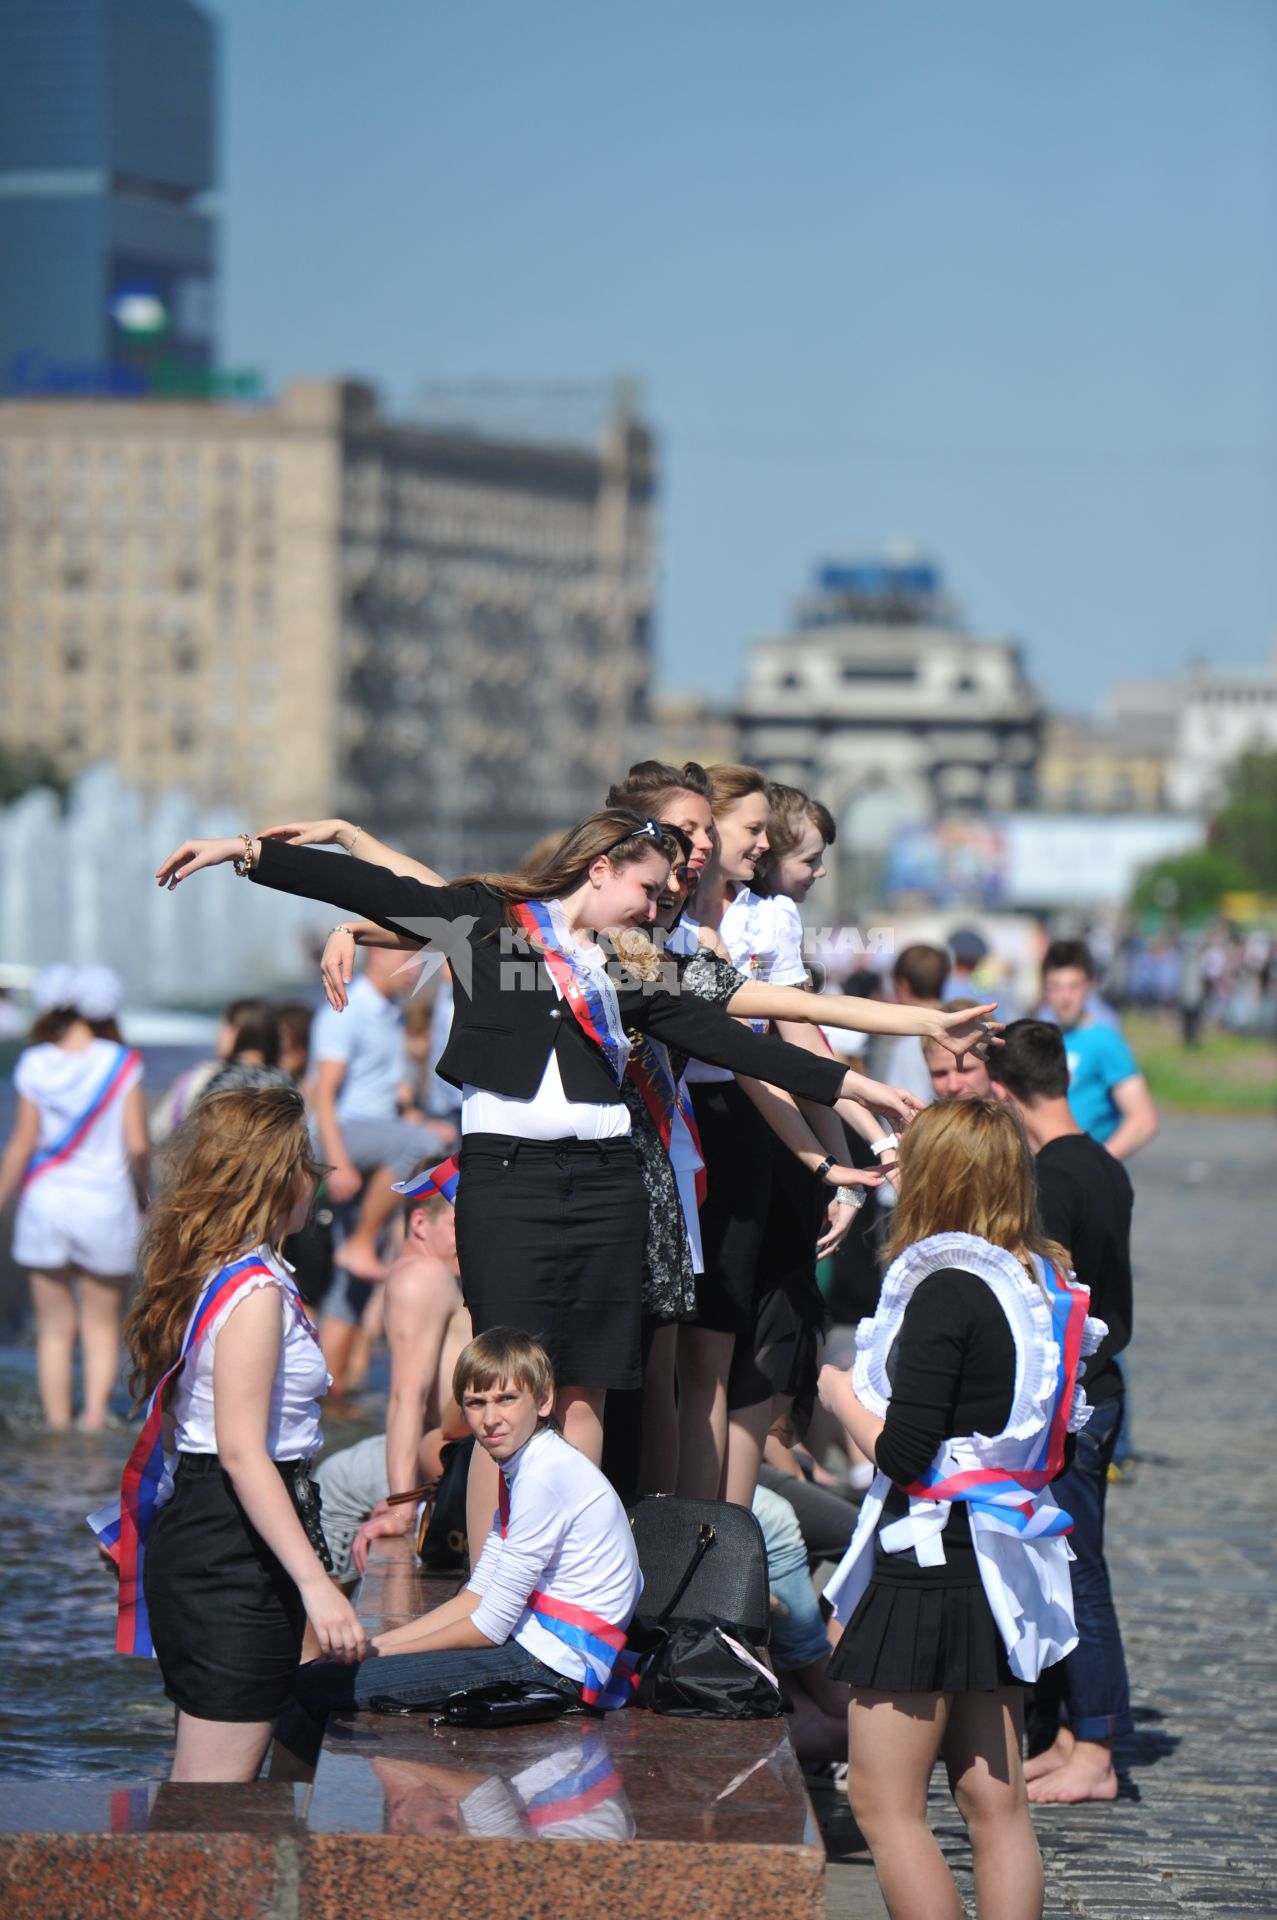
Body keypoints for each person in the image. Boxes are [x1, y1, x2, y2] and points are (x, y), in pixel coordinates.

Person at [155, 811, 907, 1480]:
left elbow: (731, 1040)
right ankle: (495, 1589)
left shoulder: (627, 963)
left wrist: (852, 1087)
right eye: (645, 890)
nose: (654, 907)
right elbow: (378, 893)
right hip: (507, 1181)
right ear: (600, 869)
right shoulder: (490, 928)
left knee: (586, 1388)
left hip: (609, 1182)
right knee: (507, 1389)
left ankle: (573, 1585)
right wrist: (246, 851)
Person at [816, 1099, 1105, 1920]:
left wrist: (836, 1394)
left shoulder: (947, 1286)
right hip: (998, 1560)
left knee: (883, 1803)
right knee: (995, 1805)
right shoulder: (1031, 1275)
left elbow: (905, 1456)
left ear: (940, 1176)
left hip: (930, 1565)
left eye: (908, 1158)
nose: (893, 1169)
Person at [90, 1086, 367, 1782]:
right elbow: (243, 1453)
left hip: (226, 1534)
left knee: (219, 1794)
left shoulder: (228, 1272)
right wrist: (318, 1586)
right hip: (230, 1547)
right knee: (209, 1804)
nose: (318, 1174)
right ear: (276, 1176)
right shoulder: (253, 1293)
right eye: (305, 1159)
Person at [271, 1328, 643, 1778]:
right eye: (476, 1402)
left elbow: (487, 1627)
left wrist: (381, 1655)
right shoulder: (526, 1467)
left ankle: (284, 1834)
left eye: (506, 1399)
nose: (490, 1418)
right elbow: (475, 1595)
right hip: (538, 1649)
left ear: (544, 1401)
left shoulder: (544, 1477)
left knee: (309, 1685)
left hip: (553, 1667)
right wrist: (377, 1645)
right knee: (327, 1673)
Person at [991, 1020, 1134, 1804]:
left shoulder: (1050, 1178)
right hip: (1106, 1386)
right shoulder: (1103, 1163)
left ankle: (1097, 1750)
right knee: (1075, 1566)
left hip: (1075, 1401)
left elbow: (1051, 1305)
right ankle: (1078, 1735)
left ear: (1006, 1094)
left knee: (1079, 1574)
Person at [0, 964, 147, 1430]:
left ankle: (58, 1424)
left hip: (45, 1202)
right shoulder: (121, 1061)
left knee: (53, 1329)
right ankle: (94, 1420)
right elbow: (138, 1144)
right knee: (101, 1326)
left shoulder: (36, 1061)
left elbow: (23, 1142)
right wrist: (145, 1196)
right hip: (105, 1204)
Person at [1038, 939, 1158, 1160]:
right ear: (1045, 989)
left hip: (1081, 1175)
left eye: (1073, 986)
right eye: (1056, 987)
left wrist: (1097, 1166)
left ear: (1090, 985)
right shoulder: (1037, 1039)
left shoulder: (1104, 1040)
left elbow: (1143, 1120)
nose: (1065, 997)